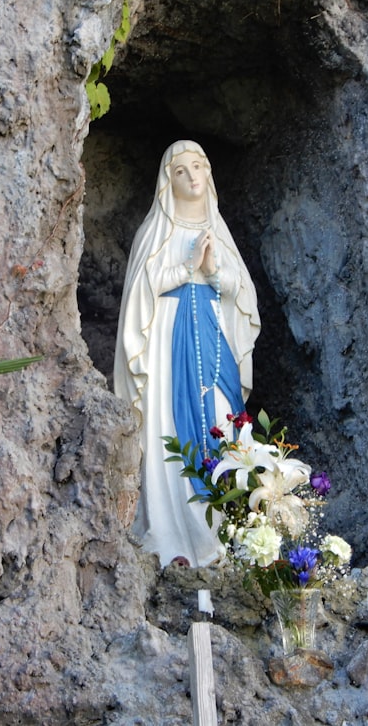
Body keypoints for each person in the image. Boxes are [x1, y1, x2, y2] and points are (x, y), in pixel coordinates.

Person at [114, 140, 261, 567]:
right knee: (168, 426)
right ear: (167, 183)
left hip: (214, 335)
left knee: (222, 418)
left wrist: (215, 271)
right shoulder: (155, 232)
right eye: (181, 170)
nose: (193, 176)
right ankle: (175, 532)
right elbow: (141, 293)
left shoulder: (220, 230)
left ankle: (228, 530)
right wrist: (187, 266)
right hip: (166, 341)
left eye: (199, 167)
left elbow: (242, 295)